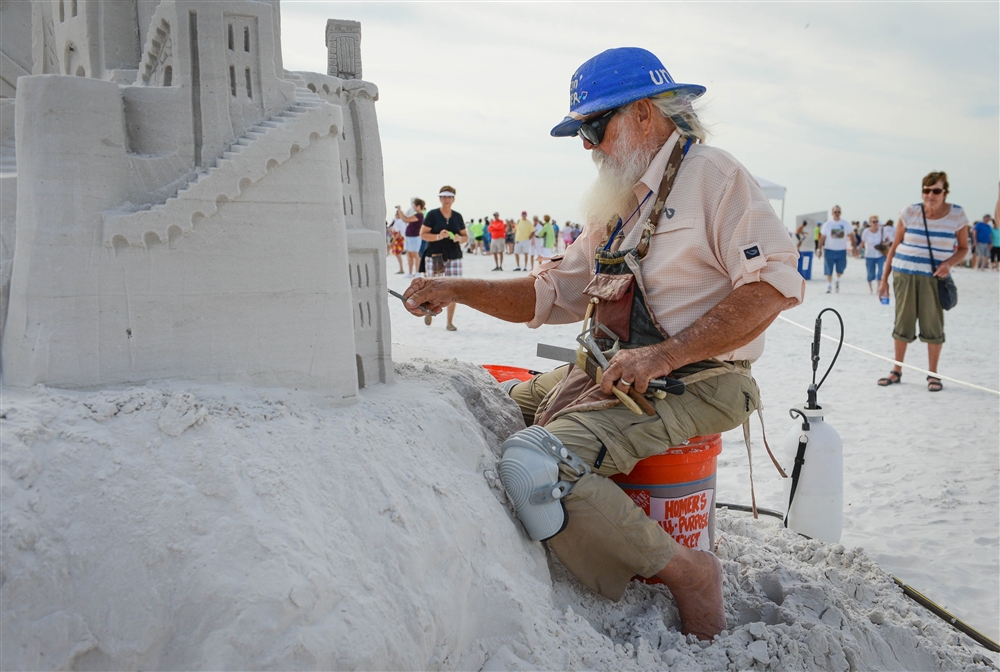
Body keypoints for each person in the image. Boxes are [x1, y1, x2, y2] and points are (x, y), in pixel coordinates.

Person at [402, 47, 803, 640]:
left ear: (645, 114)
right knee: (480, 403)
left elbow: (773, 286)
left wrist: (664, 354)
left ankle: (689, 573)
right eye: (581, 133)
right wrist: (453, 288)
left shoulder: (713, 175)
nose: (587, 145)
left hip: (700, 379)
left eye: (594, 126)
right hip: (607, 371)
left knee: (533, 461)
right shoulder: (620, 200)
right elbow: (550, 295)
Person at [877, 171, 969, 392]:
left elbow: (964, 248)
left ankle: (933, 374)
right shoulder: (910, 211)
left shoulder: (957, 215)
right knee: (903, 323)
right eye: (926, 190)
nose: (930, 195)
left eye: (936, 190)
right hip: (903, 274)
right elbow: (894, 247)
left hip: (933, 278)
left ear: (944, 192)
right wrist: (884, 280)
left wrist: (948, 263)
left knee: (933, 325)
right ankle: (896, 370)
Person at [419, 186, 468, 331]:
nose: (446, 199)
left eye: (449, 197)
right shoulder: (433, 215)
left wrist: (459, 238)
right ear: (440, 198)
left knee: (454, 289)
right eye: (444, 196)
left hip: (454, 256)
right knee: (433, 286)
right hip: (435, 255)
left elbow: (465, 237)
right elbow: (423, 234)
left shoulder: (457, 216)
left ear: (453, 199)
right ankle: (428, 310)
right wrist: (438, 236)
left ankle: (449, 322)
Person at [817, 206, 856, 293]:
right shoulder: (827, 224)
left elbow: (852, 236)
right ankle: (829, 286)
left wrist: (854, 247)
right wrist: (819, 249)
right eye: (835, 212)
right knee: (828, 268)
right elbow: (822, 238)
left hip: (841, 250)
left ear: (840, 213)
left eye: (838, 212)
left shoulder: (845, 223)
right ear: (832, 213)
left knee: (840, 268)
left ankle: (837, 280)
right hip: (829, 249)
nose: (837, 214)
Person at [860, 215, 890, 293]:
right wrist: (857, 250)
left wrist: (884, 244)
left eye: (877, 221)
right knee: (870, 273)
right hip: (869, 255)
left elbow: (888, 240)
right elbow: (862, 242)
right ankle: (871, 289)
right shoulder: (866, 231)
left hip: (880, 254)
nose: (875, 223)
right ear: (870, 223)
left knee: (880, 272)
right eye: (873, 222)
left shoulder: (882, 230)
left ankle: (878, 288)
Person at [400, 199, 426, 278]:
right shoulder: (416, 214)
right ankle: (410, 272)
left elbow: (405, 219)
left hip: (415, 237)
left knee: (415, 255)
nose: (414, 207)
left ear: (418, 206)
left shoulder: (419, 215)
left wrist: (400, 211)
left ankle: (417, 271)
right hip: (409, 237)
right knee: (409, 255)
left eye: (415, 206)